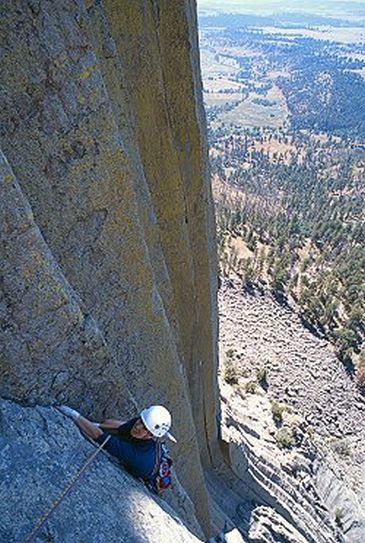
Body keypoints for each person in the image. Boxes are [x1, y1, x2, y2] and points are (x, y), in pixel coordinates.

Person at [58, 404, 176, 482]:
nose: (138, 426)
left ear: (152, 435)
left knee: (111, 433)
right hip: (149, 451)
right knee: (109, 422)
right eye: (140, 421)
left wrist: (73, 415)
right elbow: (120, 428)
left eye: (144, 428)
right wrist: (95, 425)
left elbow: (99, 436)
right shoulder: (140, 423)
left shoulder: (137, 457)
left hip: (152, 473)